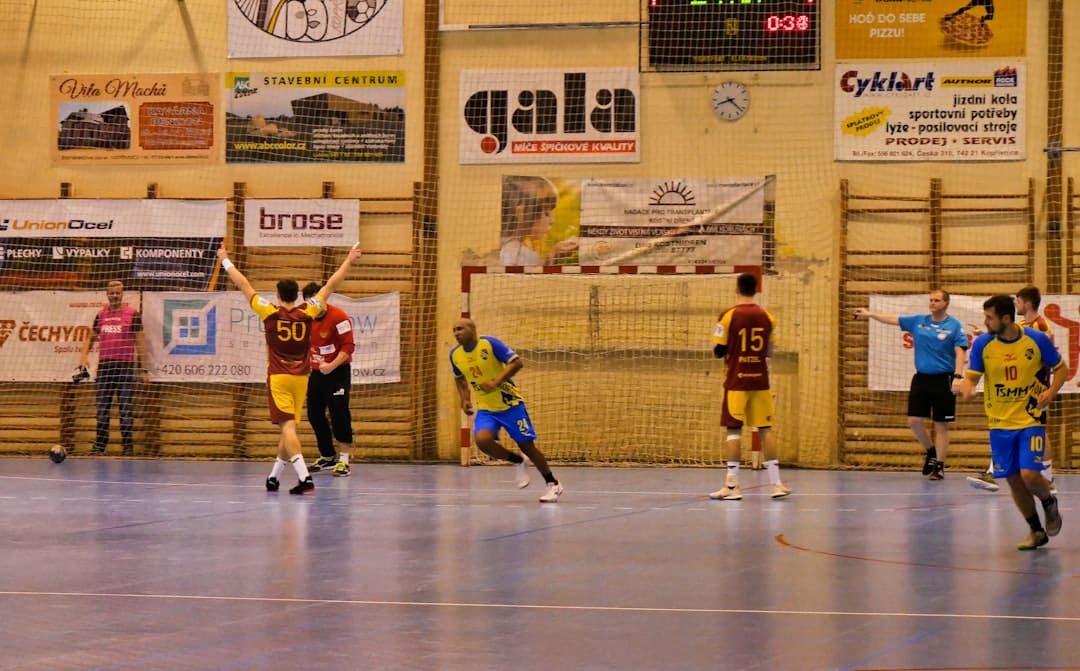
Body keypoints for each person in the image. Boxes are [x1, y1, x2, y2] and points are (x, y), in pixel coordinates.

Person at [217, 243, 362, 494]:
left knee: (288, 428)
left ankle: (305, 478)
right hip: (302, 377)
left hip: (279, 378)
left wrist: (225, 260)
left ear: (278, 294)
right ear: (297, 296)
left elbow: (243, 285)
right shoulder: (308, 311)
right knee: (288, 429)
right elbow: (332, 285)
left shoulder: (269, 311)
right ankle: (274, 477)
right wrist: (349, 260)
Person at [958, 294, 1065, 550]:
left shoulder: (1036, 339)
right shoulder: (983, 344)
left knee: (1030, 474)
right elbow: (972, 377)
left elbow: (1061, 369)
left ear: (1006, 318)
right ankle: (1036, 531)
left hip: (1030, 418)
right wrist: (968, 387)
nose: (985, 322)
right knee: (1014, 481)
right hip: (999, 423)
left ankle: (1049, 503)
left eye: (989, 317)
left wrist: (1050, 393)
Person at [853, 290, 967, 480]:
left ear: (946, 303)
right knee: (913, 421)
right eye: (931, 300)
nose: (932, 303)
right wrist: (871, 314)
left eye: (937, 300)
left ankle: (939, 466)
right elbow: (893, 319)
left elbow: (960, 351)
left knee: (941, 425)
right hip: (921, 378)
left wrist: (957, 376)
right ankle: (930, 451)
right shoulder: (919, 321)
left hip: (944, 379)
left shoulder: (954, 325)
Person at [451, 318, 563, 503]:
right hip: (487, 408)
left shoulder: (489, 344)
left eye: (460, 329)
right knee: (483, 441)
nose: (456, 333)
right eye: (454, 330)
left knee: (527, 446)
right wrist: (464, 399)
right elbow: (459, 378)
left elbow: (517, 363)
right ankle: (518, 461)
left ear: (472, 328)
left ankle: (553, 483)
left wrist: (496, 382)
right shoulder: (455, 355)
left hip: (510, 405)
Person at [708, 272, 790, 500]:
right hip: (761, 380)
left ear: (737, 289)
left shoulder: (728, 315)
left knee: (734, 430)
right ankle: (776, 484)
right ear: (756, 290)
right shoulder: (768, 317)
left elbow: (718, 351)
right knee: (766, 429)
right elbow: (770, 352)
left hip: (737, 380)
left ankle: (732, 487)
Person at [967, 285, 1057, 493]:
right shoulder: (1023, 325)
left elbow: (1044, 355)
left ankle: (1047, 477)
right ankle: (994, 472)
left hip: (1034, 386)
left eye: (1017, 301)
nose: (1016, 305)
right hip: (1017, 387)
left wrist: (1045, 387)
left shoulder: (1039, 326)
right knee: (1009, 426)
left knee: (1038, 430)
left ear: (1026, 302)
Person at [80, 280, 148, 456]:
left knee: (125, 409)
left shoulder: (132, 314)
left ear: (122, 294)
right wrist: (83, 358)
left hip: (125, 368)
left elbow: (140, 342)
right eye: (112, 293)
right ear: (107, 294)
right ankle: (100, 446)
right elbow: (90, 337)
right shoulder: (101, 315)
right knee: (102, 410)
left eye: (117, 293)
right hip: (104, 368)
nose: (114, 295)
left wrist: (144, 370)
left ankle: (128, 448)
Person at [301, 281, 354, 477]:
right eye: (309, 303)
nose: (313, 306)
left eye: (316, 301)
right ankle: (327, 456)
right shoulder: (306, 318)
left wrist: (331, 366)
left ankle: (344, 460)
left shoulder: (339, 317)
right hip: (317, 373)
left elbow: (348, 347)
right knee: (314, 414)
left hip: (338, 372)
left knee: (339, 413)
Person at [499, 175, 578, 266]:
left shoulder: (504, 249)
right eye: (546, 213)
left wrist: (553, 255)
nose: (552, 220)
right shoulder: (524, 256)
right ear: (521, 212)